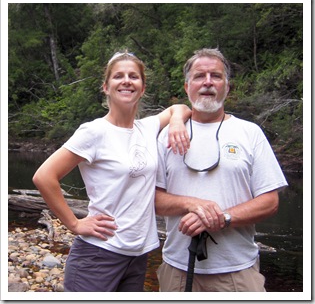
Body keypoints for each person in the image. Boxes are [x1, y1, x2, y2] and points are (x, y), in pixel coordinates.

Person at [32, 51, 191, 292]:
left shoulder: (147, 128)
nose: (127, 80)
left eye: (133, 76)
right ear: (106, 87)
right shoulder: (94, 132)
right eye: (118, 76)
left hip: (138, 254)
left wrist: (177, 121)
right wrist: (74, 224)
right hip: (98, 254)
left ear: (142, 87)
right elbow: (44, 177)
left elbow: (178, 108)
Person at [155, 48, 288, 292]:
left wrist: (221, 218)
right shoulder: (166, 135)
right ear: (187, 87)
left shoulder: (250, 133)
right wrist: (193, 204)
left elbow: (270, 202)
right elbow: (153, 199)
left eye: (215, 76)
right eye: (199, 76)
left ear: (227, 86)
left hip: (237, 272)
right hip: (177, 271)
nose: (207, 82)